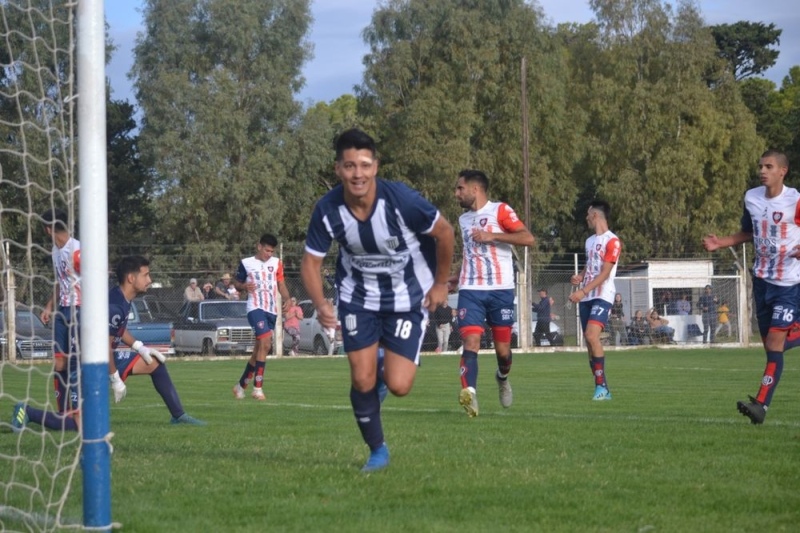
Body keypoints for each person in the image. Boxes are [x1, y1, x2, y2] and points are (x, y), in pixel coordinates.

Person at [300, 128, 455, 472]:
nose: (358, 174)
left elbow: (445, 232)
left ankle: (386, 363)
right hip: (358, 299)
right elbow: (311, 263)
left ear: (376, 167)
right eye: (350, 166)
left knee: (399, 385)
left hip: (407, 298)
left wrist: (441, 283)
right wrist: (322, 303)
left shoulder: (402, 201)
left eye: (365, 165)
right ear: (338, 169)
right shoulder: (327, 210)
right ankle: (377, 450)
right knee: (361, 379)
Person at [12, 256, 205, 432]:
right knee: (81, 426)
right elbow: (105, 346)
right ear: (131, 278)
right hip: (85, 365)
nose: (150, 279)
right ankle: (28, 412)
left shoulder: (120, 297)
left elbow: (117, 330)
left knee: (154, 363)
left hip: (103, 358)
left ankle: (179, 416)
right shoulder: (115, 306)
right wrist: (115, 378)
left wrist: (139, 346)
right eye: (146, 275)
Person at [703, 149, 800, 424]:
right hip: (761, 281)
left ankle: (760, 406)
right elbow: (750, 232)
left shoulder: (795, 201)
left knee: (774, 342)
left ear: (783, 171)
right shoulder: (752, 197)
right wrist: (720, 242)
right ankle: (761, 406)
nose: (763, 171)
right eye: (760, 166)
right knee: (771, 348)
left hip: (789, 284)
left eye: (769, 166)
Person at [453, 169, 536, 417]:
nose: (456, 193)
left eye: (460, 188)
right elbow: (471, 255)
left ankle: (502, 378)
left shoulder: (500, 210)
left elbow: (528, 238)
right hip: (471, 289)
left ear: (475, 189)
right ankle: (470, 395)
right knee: (471, 341)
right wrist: (453, 278)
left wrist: (493, 235)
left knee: (503, 351)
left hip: (500, 289)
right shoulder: (463, 220)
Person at [568, 200, 621, 401]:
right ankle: (601, 387)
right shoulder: (589, 241)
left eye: (588, 214)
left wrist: (583, 291)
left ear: (596, 216)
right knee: (590, 344)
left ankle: (602, 388)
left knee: (591, 336)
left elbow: (605, 272)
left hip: (602, 295)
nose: (586, 218)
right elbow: (591, 264)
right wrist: (581, 276)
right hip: (587, 296)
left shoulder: (613, 241)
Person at [231, 234, 292, 401]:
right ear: (259, 247)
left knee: (261, 349)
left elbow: (281, 284)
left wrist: (287, 298)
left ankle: (240, 386)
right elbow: (235, 283)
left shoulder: (276, 263)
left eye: (272, 251)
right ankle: (258, 388)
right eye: (267, 250)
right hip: (255, 307)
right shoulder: (246, 263)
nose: (269, 254)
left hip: (271, 309)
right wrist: (243, 286)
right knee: (266, 342)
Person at [39, 208, 80, 417]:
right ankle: (63, 412)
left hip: (79, 310)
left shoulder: (77, 250)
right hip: (62, 310)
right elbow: (60, 281)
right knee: (59, 363)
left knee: (74, 363)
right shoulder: (55, 250)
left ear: (48, 229)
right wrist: (49, 306)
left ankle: (77, 412)